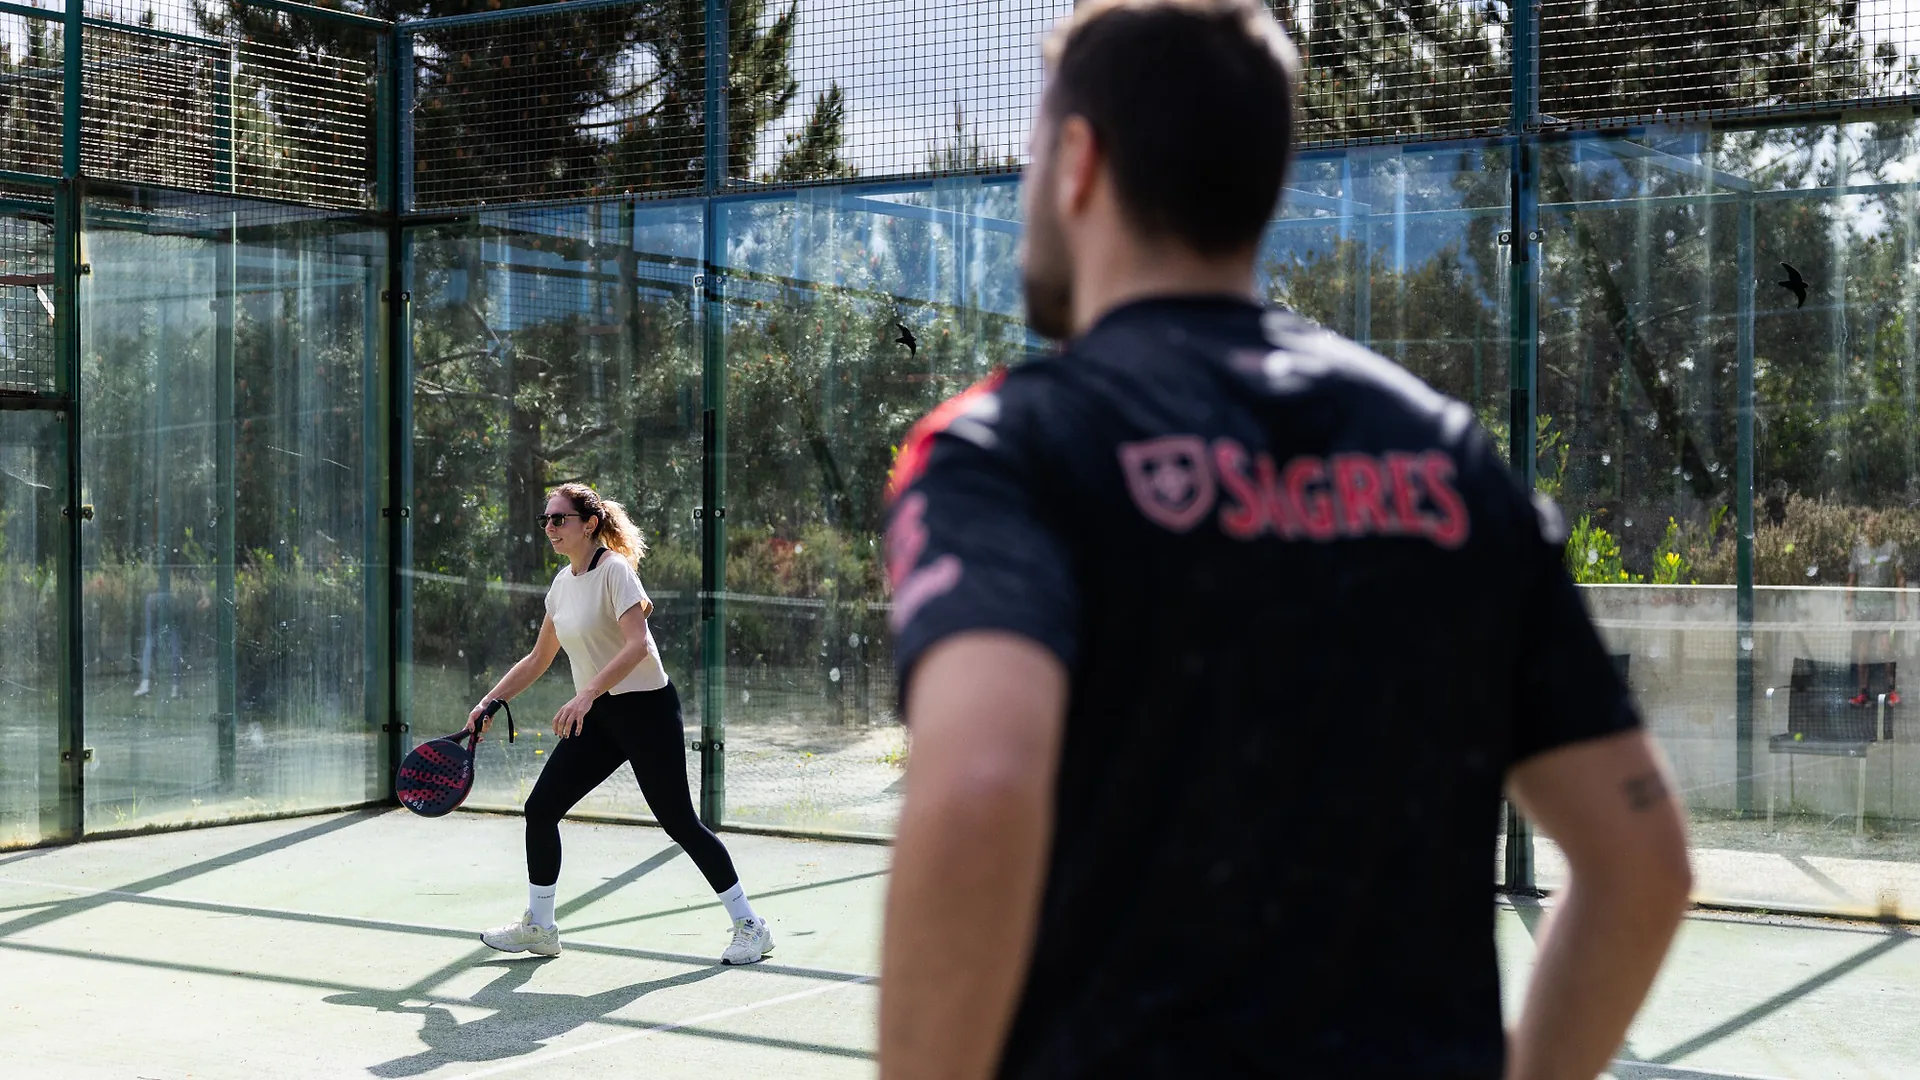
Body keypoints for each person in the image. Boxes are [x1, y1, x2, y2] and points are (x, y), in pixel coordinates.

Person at [877, 2, 1693, 1078]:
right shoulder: (1445, 457)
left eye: (1033, 152)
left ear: (1078, 162)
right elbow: (1642, 858)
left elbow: (980, 788)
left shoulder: (1003, 448)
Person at [467, 482, 772, 965]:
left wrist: (586, 693)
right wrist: (489, 701)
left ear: (589, 524)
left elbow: (638, 647)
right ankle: (541, 927)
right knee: (541, 808)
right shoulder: (562, 585)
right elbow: (538, 657)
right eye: (545, 520)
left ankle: (751, 925)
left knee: (678, 822)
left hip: (647, 710)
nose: (549, 527)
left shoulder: (616, 573)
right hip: (601, 715)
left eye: (558, 519)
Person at [1846, 511, 1905, 707]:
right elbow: (1851, 580)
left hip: (1885, 607)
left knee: (1886, 648)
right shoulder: (1858, 550)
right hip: (1863, 609)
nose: (1873, 529)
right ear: (1865, 528)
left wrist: (1902, 603)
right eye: (1870, 526)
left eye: (1876, 526)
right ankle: (1863, 693)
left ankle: (1892, 691)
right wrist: (1849, 607)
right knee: (1863, 654)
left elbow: (1900, 578)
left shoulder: (1892, 547)